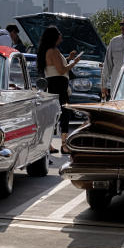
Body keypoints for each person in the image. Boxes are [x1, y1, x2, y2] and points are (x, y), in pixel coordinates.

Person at [36, 25, 81, 154]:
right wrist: (74, 62)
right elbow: (61, 70)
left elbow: (56, 67)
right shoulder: (53, 51)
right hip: (59, 84)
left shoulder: (48, 50)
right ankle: (64, 144)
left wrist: (69, 59)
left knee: (52, 115)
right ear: (55, 36)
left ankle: (48, 143)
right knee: (64, 112)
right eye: (59, 34)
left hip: (52, 83)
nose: (61, 36)